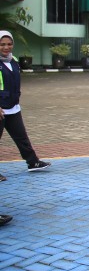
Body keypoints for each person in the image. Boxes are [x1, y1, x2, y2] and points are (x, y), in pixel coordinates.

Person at [0, 30, 51, 173]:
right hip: (1, 109)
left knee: (22, 138)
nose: (6, 47)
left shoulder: (13, 60)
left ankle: (33, 162)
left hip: (13, 107)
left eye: (9, 44)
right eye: (2, 44)